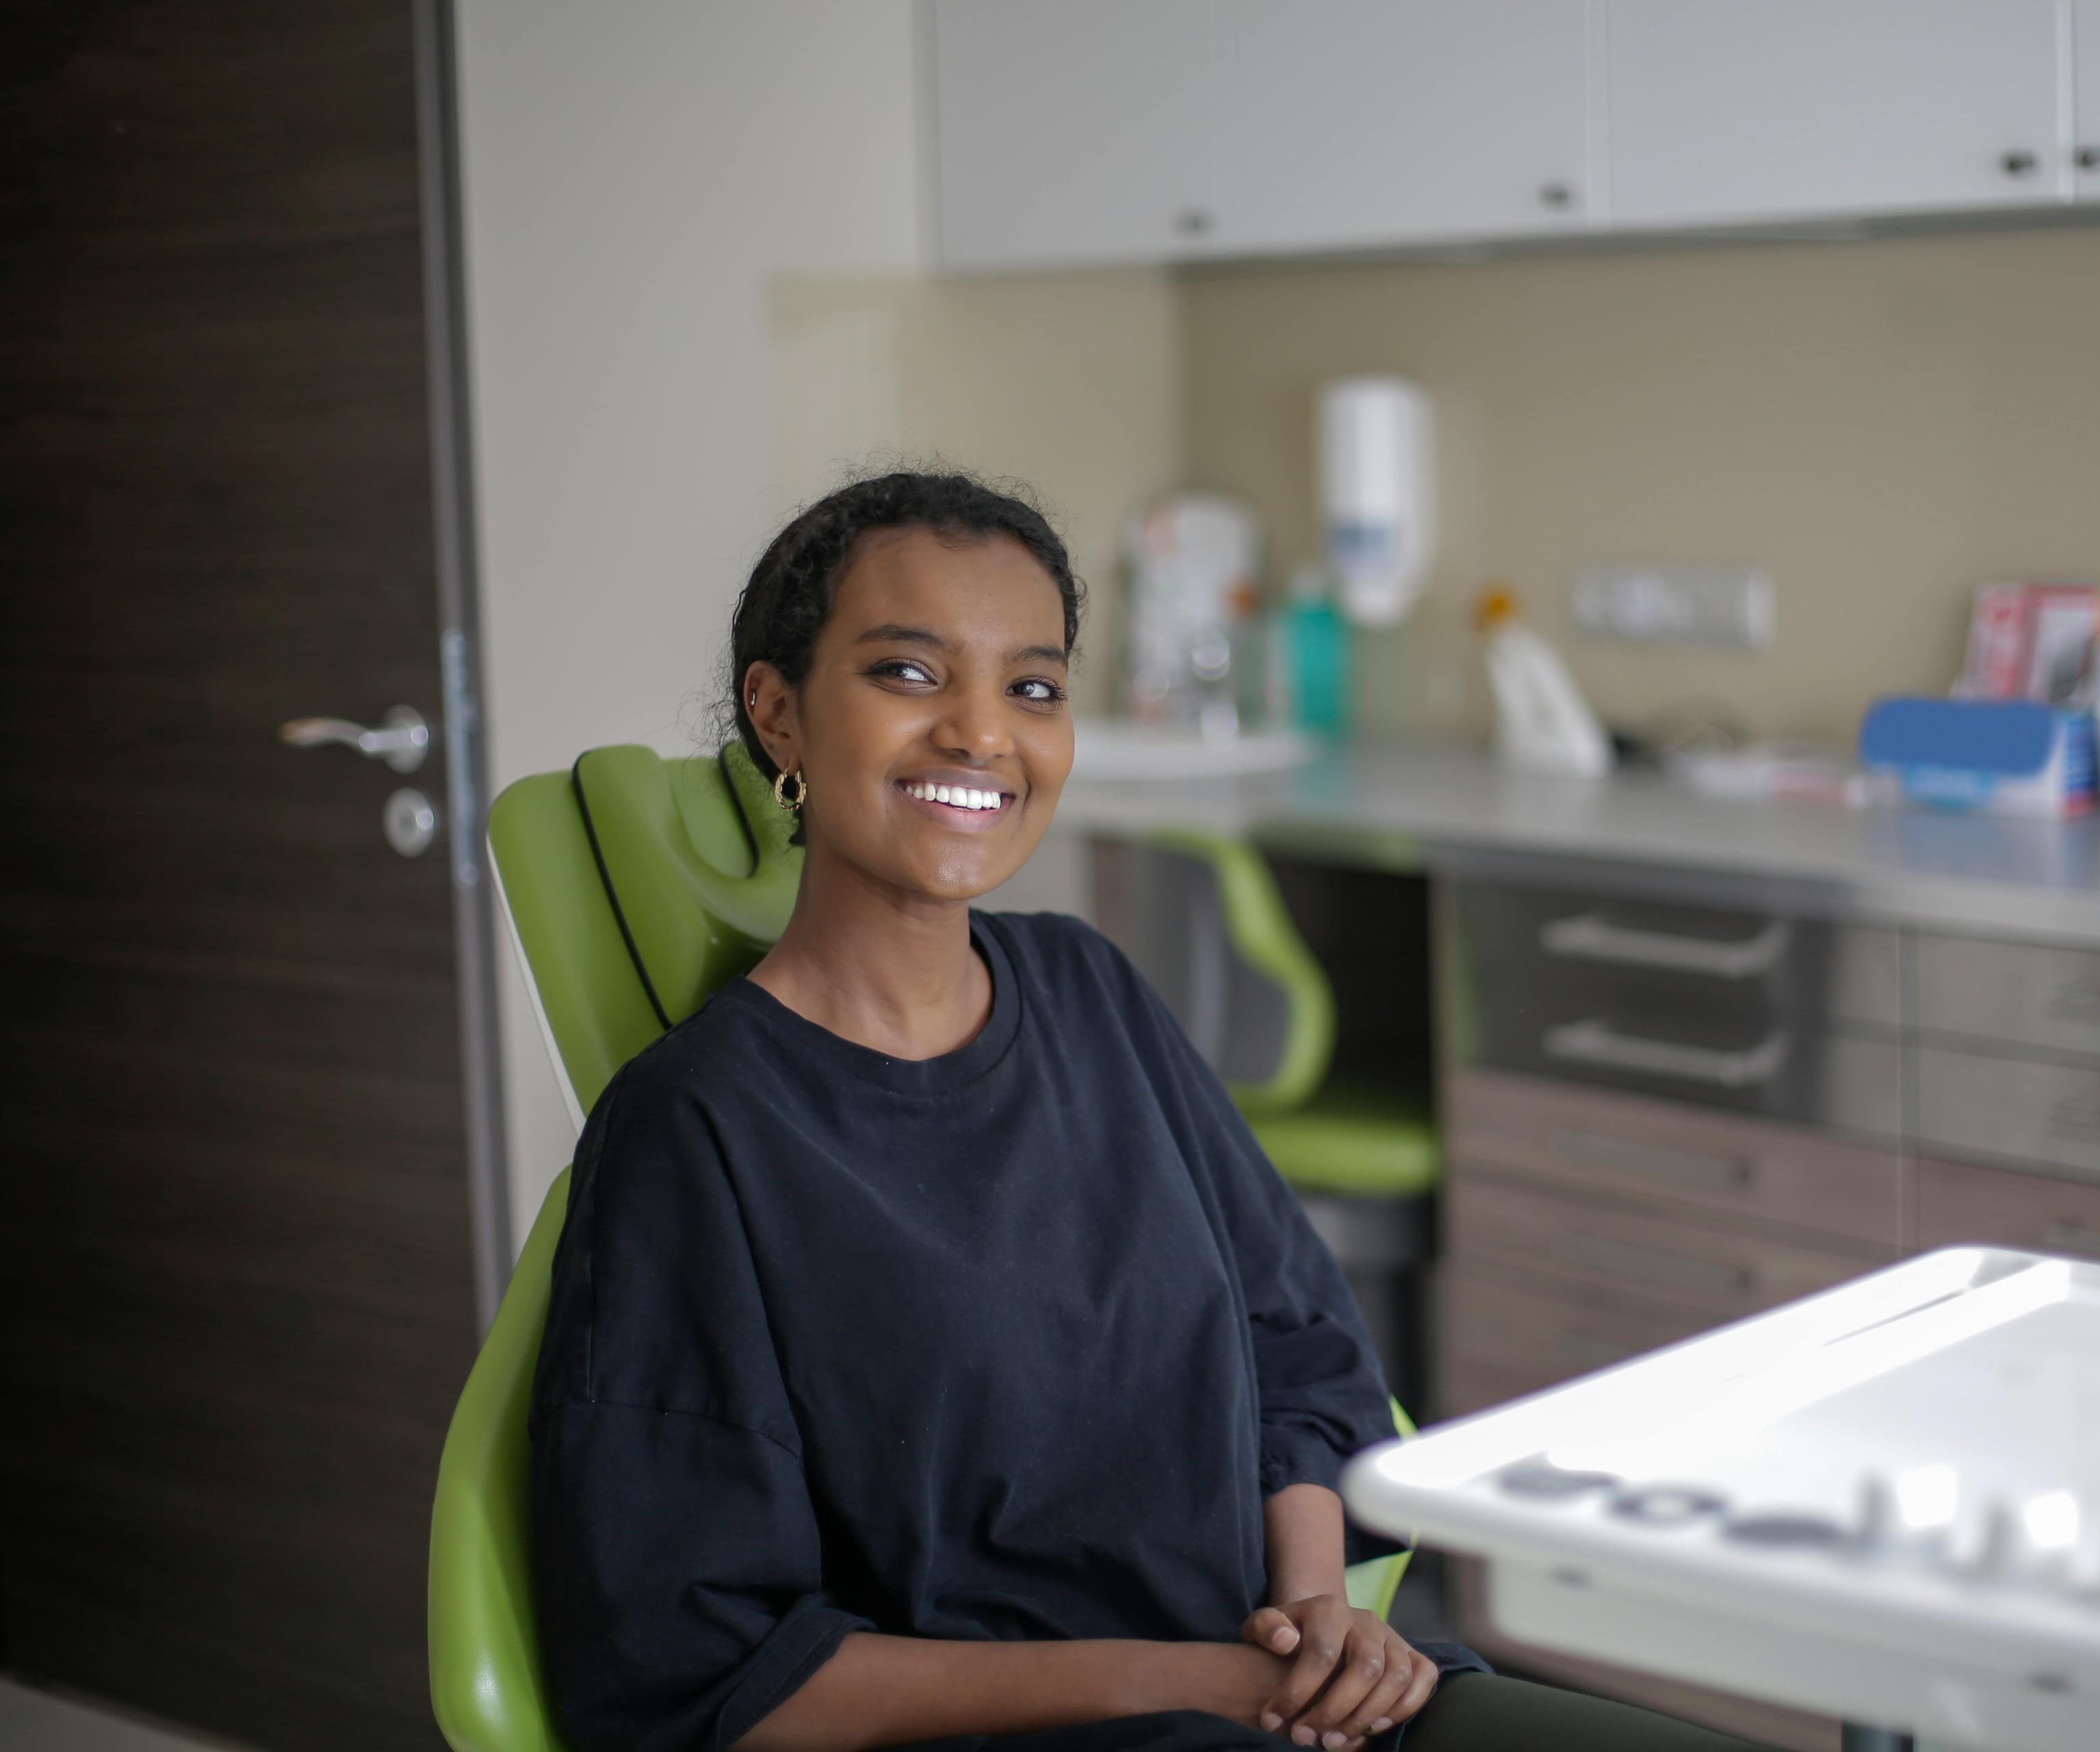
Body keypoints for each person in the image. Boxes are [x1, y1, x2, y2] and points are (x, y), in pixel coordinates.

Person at [528, 470, 1776, 1752]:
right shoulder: (698, 1132)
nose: (980, 733)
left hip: (1298, 1700)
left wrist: (1315, 1621)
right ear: (779, 715)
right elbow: (709, 1675)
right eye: (908, 674)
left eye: (1033, 687)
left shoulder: (1087, 988)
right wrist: (1190, 1683)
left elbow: (1298, 1346)